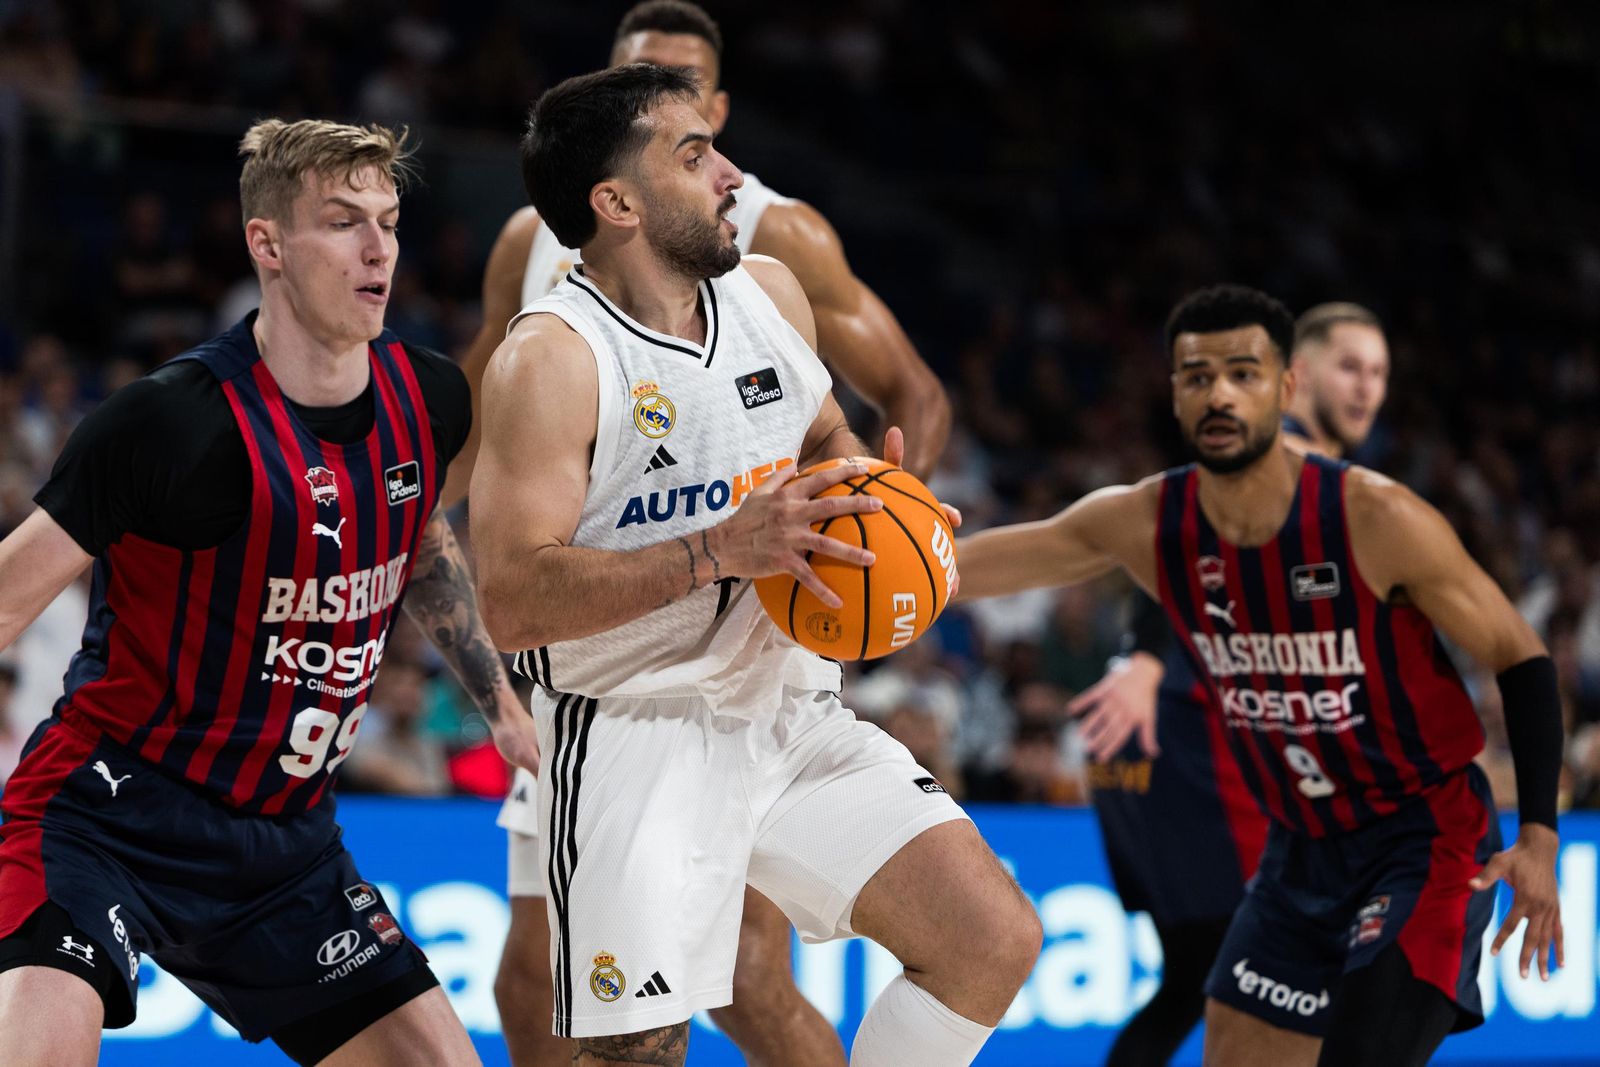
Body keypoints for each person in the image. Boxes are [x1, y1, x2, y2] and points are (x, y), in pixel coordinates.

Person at [470, 64, 1039, 1067]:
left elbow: (822, 435)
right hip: (628, 730)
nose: (732, 174)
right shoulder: (552, 358)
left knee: (989, 936)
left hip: (785, 708)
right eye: (694, 156)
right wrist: (719, 547)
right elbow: (510, 602)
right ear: (617, 203)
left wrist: (874, 500)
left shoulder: (769, 293)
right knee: (643, 1046)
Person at [0, 118, 539, 1067]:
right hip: (111, 810)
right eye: (342, 222)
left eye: (389, 220)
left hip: (287, 849)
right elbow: (7, 599)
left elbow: (412, 539)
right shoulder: (171, 422)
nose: (378, 249)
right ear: (268, 244)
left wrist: (497, 701)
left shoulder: (434, 398)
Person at [956, 284, 1562, 1067]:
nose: (1219, 392)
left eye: (1242, 372)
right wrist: (857, 543)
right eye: (1196, 374)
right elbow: (960, 565)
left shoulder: (1375, 517)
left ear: (1285, 388)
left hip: (1424, 838)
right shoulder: (1145, 520)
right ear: (1172, 394)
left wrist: (1540, 832)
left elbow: (1522, 654)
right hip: (1300, 850)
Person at [1070, 301, 1391, 1065]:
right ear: (1297, 376)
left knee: (1191, 980)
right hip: (1190, 739)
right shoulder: (1277, 461)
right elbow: (1178, 548)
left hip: (1145, 746)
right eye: (1348, 366)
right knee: (1290, 975)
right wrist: (1148, 659)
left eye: (1379, 372)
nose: (1366, 387)